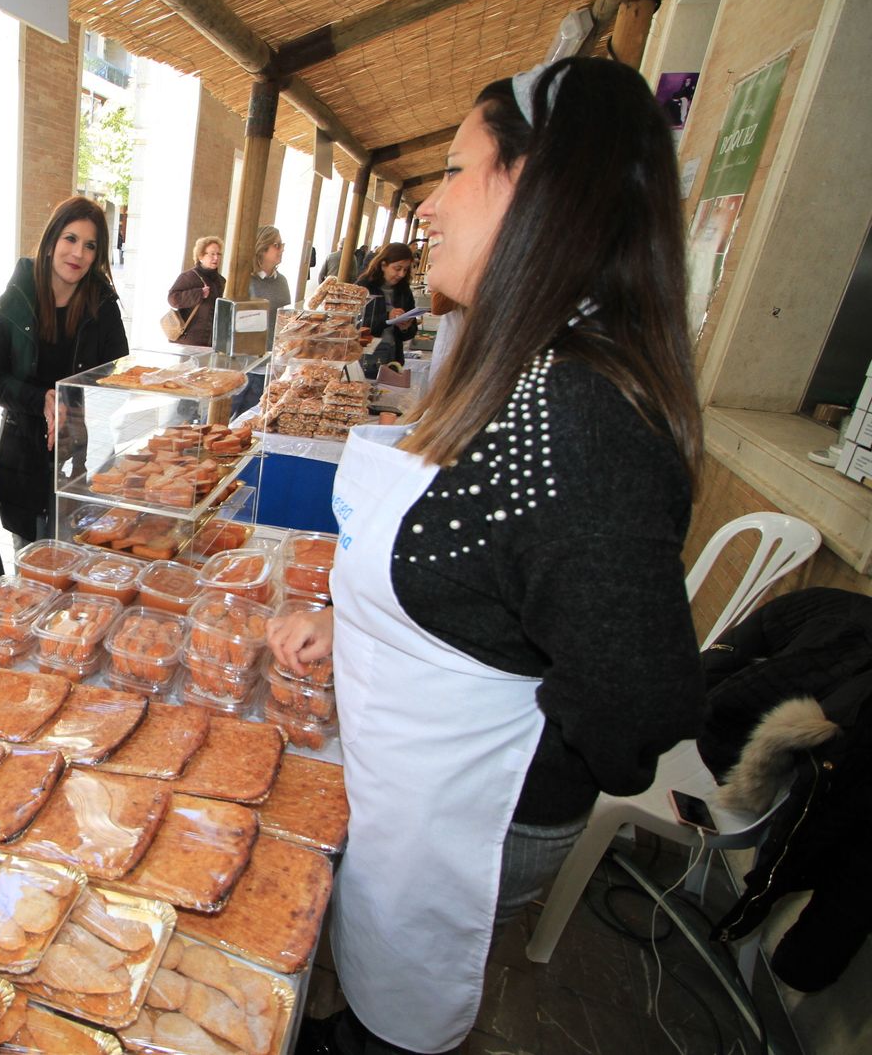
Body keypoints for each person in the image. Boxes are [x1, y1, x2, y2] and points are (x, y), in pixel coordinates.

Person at [268, 57, 705, 1054]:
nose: (428, 204)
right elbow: (476, 575)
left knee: (390, 1031)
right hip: (402, 796)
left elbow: (637, 701)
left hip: (459, 826)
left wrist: (498, 735)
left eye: (459, 169)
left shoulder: (581, 419)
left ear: (540, 188)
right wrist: (356, 626)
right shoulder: (515, 364)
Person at [0, 197, 129, 548]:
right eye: (70, 239)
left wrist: (76, 407)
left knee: (79, 554)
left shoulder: (103, 304)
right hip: (23, 453)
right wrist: (42, 400)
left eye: (90, 245)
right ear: (51, 241)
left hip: (83, 453)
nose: (78, 253)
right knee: (31, 561)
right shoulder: (18, 296)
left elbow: (118, 377)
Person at [355, 241, 419, 365]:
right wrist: (387, 318)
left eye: (405, 270)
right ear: (383, 265)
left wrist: (405, 328)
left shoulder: (404, 291)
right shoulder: (363, 287)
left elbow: (411, 331)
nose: (401, 274)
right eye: (397, 268)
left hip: (393, 355)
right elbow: (355, 325)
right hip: (366, 355)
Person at [165, 236, 225, 349]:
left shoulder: (220, 280)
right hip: (188, 341)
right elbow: (172, 298)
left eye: (218, 254)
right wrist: (199, 293)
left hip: (210, 342)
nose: (216, 258)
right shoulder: (189, 277)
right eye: (212, 254)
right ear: (201, 256)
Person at [247, 225, 291, 309]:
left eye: (282, 245)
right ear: (262, 248)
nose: (282, 249)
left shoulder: (282, 281)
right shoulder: (247, 283)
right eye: (277, 245)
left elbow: (286, 316)